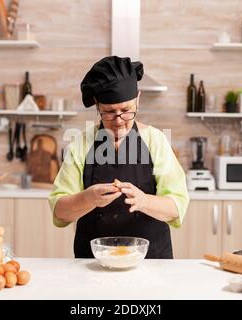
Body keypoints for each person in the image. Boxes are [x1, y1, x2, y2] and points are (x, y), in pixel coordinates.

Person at [49, 56, 189, 259]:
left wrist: (144, 201)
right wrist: (87, 198)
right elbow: (60, 212)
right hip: (92, 264)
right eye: (109, 112)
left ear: (138, 100)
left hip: (151, 262)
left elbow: (177, 207)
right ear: (97, 106)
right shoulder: (81, 144)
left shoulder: (155, 140)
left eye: (126, 110)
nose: (119, 121)